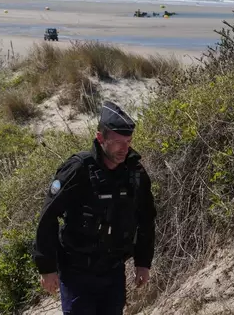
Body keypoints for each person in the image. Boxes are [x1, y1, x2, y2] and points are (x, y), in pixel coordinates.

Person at [32, 101, 156, 315]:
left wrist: (143, 262)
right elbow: (48, 216)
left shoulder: (134, 172)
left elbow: (146, 217)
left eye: (128, 141)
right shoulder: (78, 169)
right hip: (77, 273)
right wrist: (47, 266)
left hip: (113, 272)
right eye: (118, 142)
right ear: (101, 139)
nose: (125, 149)